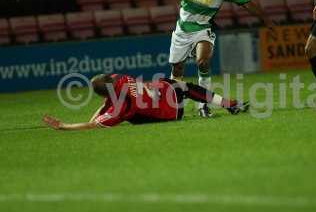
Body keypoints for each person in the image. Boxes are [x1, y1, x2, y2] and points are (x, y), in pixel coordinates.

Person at [123, 0, 272, 117]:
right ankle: (174, 106)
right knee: (177, 70)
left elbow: (245, 2)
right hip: (182, 29)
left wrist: (266, 20)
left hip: (204, 28)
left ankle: (203, 106)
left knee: (203, 61)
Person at [43, 74, 249, 130]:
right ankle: (230, 104)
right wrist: (66, 127)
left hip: (165, 97)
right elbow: (95, 122)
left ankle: (230, 104)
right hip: (167, 105)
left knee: (186, 87)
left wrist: (64, 126)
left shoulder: (119, 104)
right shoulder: (119, 86)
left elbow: (95, 121)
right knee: (188, 88)